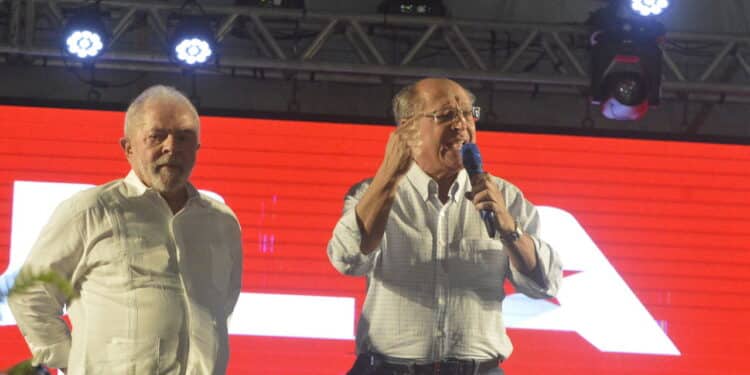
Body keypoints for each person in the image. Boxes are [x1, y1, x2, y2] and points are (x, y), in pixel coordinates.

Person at [327, 78, 563, 375]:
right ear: (407, 128)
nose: (462, 124)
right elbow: (346, 259)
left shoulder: (504, 197)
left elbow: (545, 284)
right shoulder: (370, 195)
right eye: (447, 115)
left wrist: (508, 228)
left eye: (468, 113)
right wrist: (388, 175)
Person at [8, 85, 243, 375]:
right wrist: (73, 361)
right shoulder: (90, 210)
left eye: (184, 137)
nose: (172, 147)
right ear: (128, 147)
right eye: (157, 136)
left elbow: (221, 305)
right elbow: (31, 293)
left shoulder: (221, 221)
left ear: (197, 148)